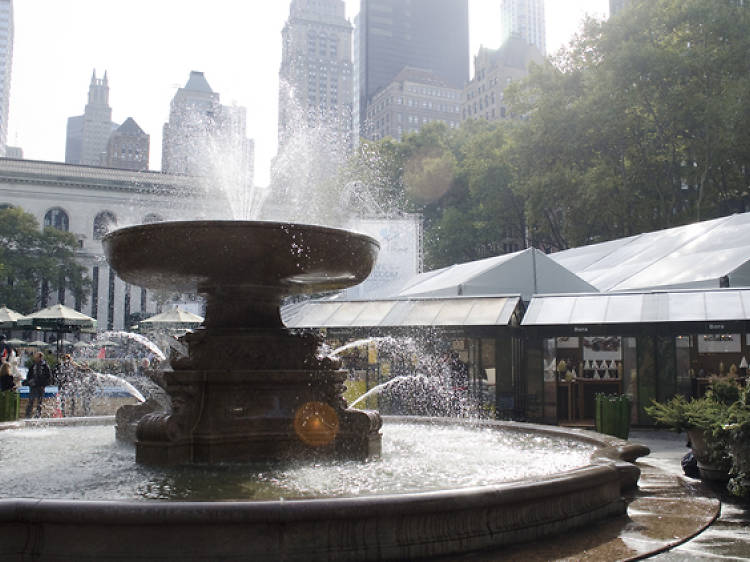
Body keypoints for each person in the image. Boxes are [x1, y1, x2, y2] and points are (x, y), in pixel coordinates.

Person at [25, 352, 51, 418]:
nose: (35, 358)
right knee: (31, 400)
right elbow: (29, 375)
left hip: (41, 386)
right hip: (33, 385)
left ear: (40, 357)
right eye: (35, 357)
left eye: (37, 357)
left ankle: (38, 415)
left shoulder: (45, 366)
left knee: (39, 402)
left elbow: (48, 376)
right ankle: (28, 415)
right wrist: (29, 382)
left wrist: (44, 384)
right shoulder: (33, 365)